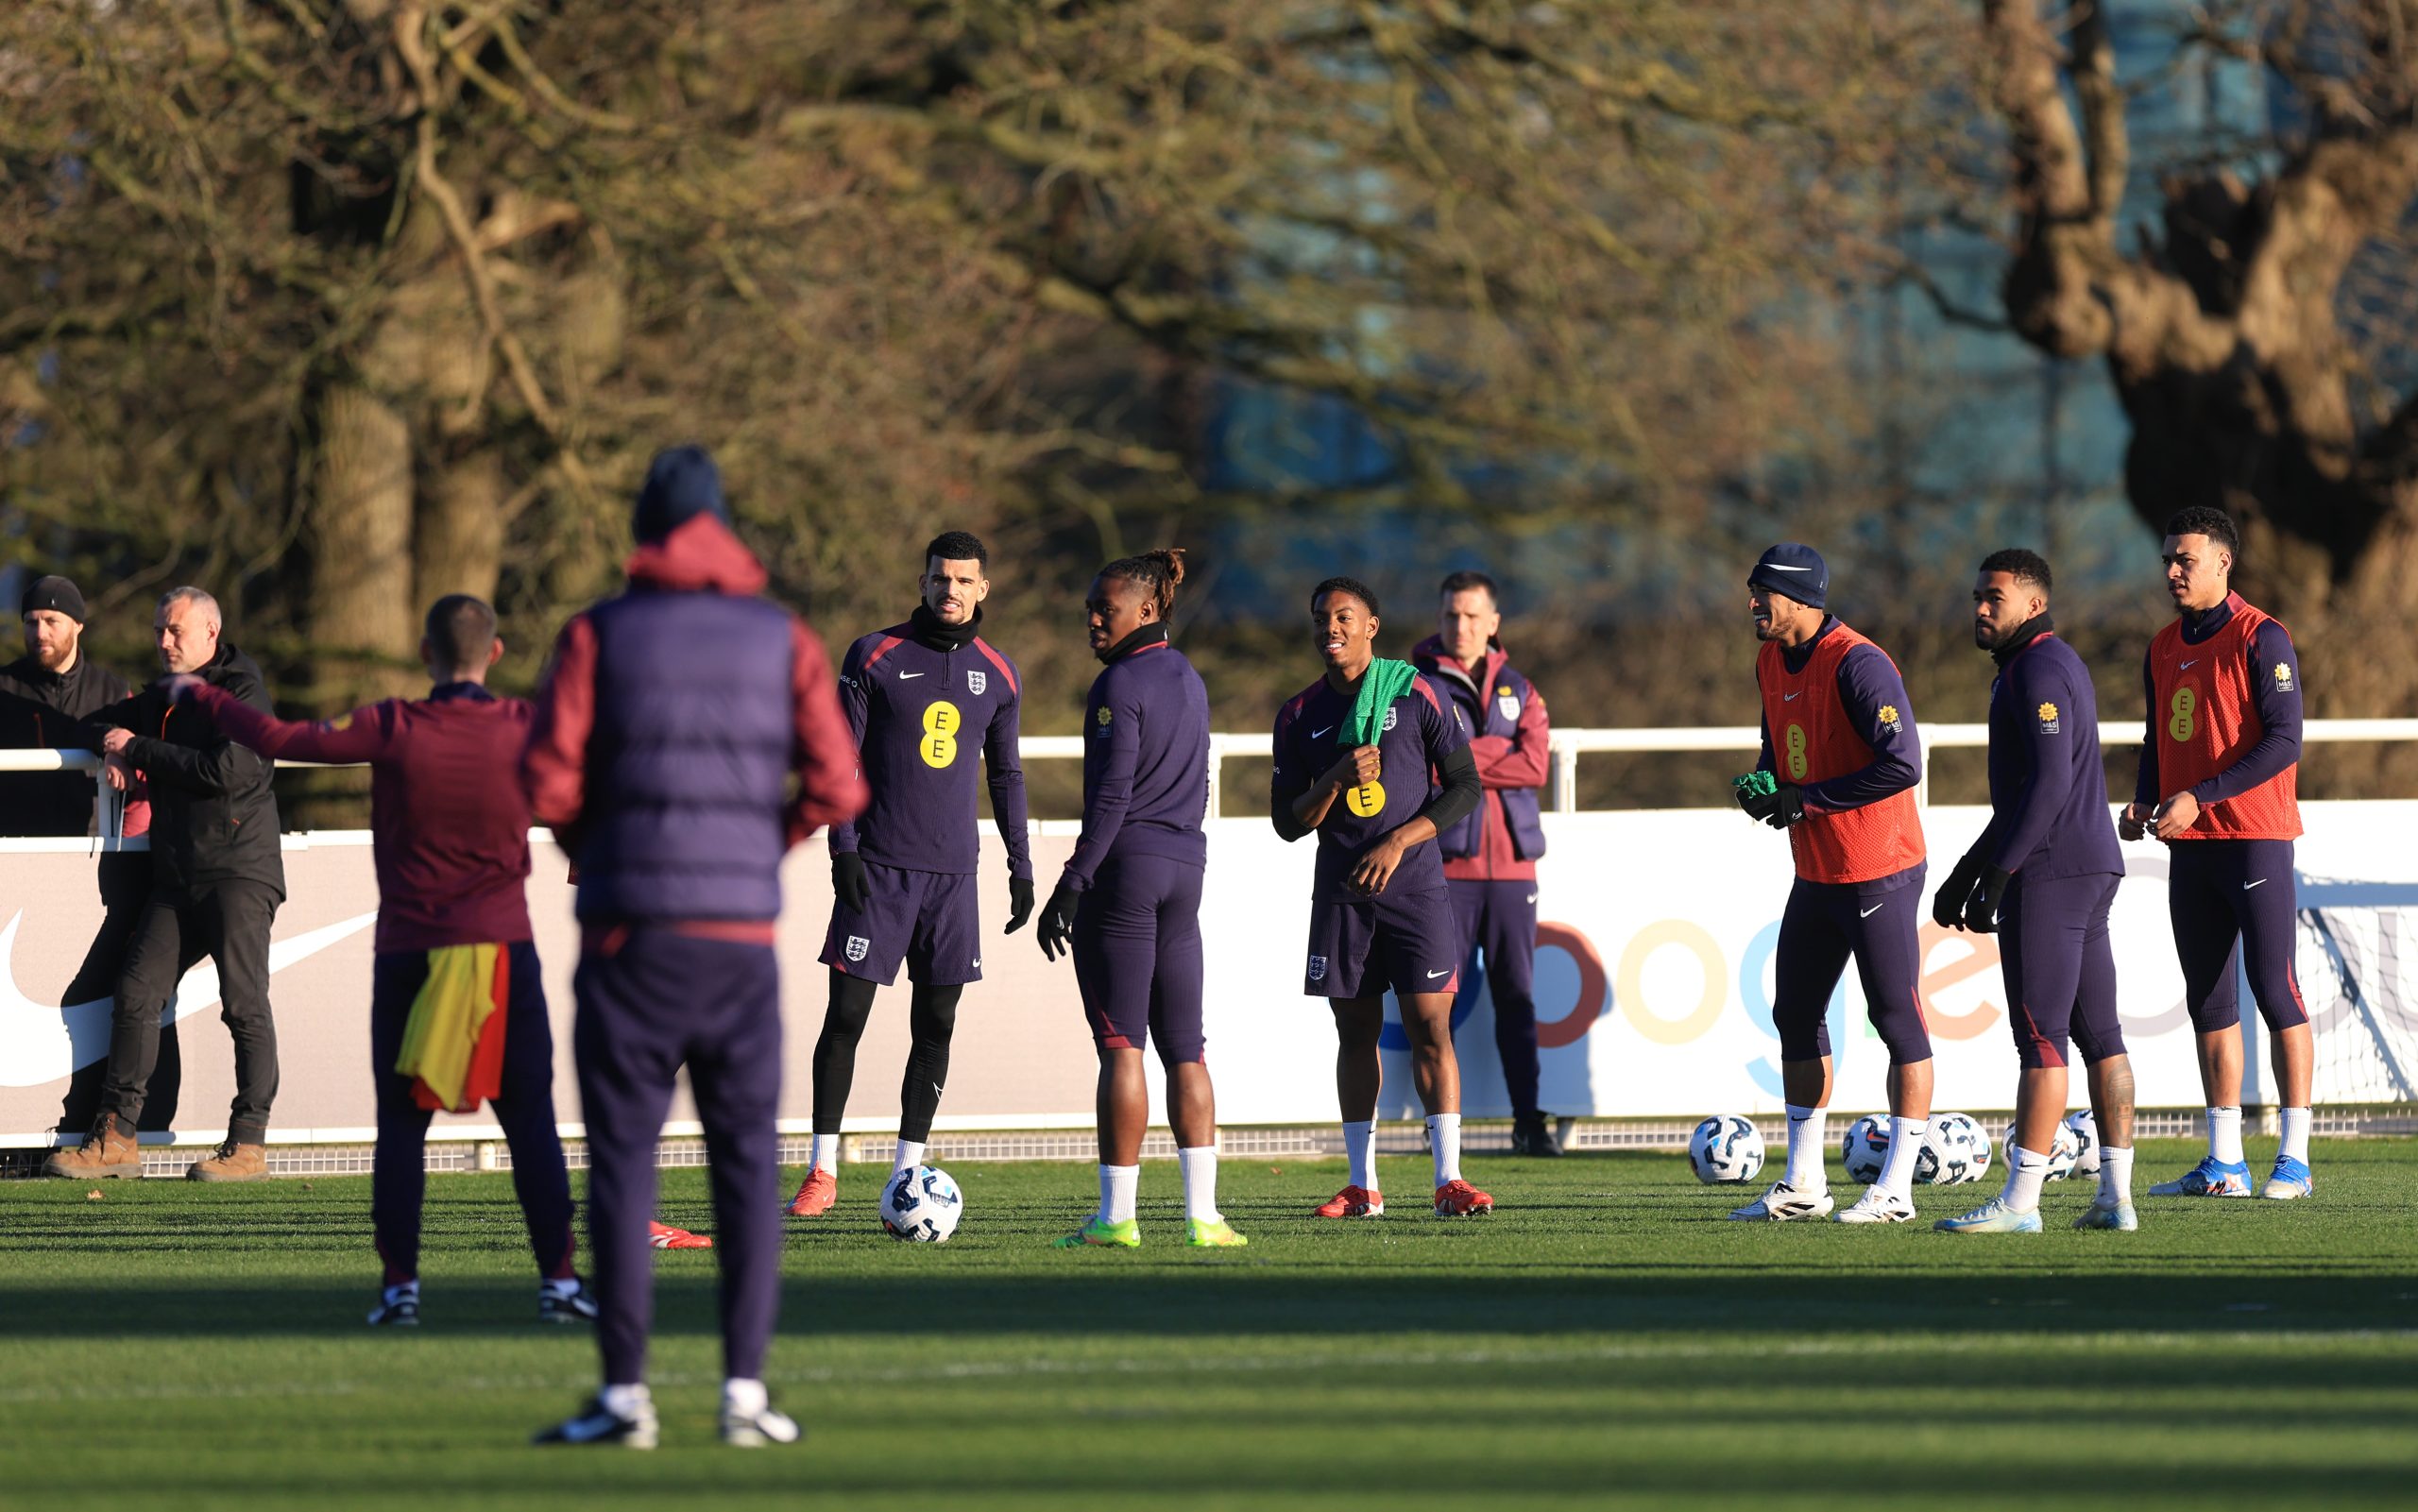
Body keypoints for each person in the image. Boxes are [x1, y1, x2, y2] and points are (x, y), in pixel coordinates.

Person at [521, 445, 865, 1448]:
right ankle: (744, 1395)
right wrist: (766, 842)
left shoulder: (597, 633)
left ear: (642, 527)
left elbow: (545, 784)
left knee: (624, 1166)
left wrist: (602, 846)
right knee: (745, 1166)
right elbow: (841, 786)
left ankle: (625, 1396)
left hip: (630, 933)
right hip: (737, 940)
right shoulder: (782, 637)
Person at [168, 594, 618, 1322]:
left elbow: (281, 734)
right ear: (494, 654)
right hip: (501, 952)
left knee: (403, 1129)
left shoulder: (394, 724)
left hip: (411, 950)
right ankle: (560, 1283)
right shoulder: (521, 726)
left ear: (423, 652)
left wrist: (206, 696)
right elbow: (583, 793)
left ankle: (400, 1288)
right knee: (529, 1121)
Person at [784, 531, 1033, 1218]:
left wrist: (1021, 866)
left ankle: (907, 1173)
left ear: (984, 588)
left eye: (963, 580)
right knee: (847, 1015)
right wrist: (845, 850)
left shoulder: (1001, 674)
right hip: (881, 867)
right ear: (922, 582)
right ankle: (822, 1168)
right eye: (939, 578)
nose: (950, 590)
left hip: (953, 877)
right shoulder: (874, 654)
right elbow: (840, 758)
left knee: (938, 1022)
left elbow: (1006, 774)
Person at [1032, 551, 1245, 1249]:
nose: (1093, 617)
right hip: (1186, 865)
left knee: (1123, 1048)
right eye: (1091, 606)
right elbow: (1202, 782)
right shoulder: (1190, 677)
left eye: (1106, 606)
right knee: (1188, 1048)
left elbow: (1112, 796)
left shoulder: (1118, 682)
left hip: (1125, 872)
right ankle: (1204, 1218)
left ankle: (1117, 1217)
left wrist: (1072, 881)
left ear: (1147, 610)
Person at [1931, 551, 2139, 1234]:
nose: (1981, 608)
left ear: (2034, 603)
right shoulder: (2036, 666)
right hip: (2084, 864)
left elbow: (2049, 784)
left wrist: (2002, 871)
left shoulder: (2040, 668)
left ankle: (2021, 1202)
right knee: (2099, 1035)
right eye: (1977, 596)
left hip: (2052, 871)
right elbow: (2025, 792)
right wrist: (1972, 866)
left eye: (1995, 596)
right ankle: (2115, 1196)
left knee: (2040, 1037)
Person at [1271, 576, 1492, 1219]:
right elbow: (1288, 822)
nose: (1329, 628)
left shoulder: (1414, 690)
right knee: (1355, 1032)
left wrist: (1399, 842)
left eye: (1344, 616)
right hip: (1343, 895)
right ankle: (1362, 1185)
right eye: (1320, 619)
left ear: (1371, 626)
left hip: (1416, 888)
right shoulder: (1299, 713)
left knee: (1430, 1026)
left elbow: (1464, 786)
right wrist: (1335, 778)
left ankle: (1449, 1179)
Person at [45, 587, 282, 1182]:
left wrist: (141, 748)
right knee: (134, 992)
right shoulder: (166, 695)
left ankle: (248, 1144)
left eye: (173, 630)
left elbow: (227, 772)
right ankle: (117, 1138)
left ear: (209, 632)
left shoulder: (242, 690)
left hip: (237, 872)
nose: (163, 641)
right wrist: (111, 747)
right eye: (158, 631)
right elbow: (97, 721)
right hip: (176, 878)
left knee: (244, 1006)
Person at [1729, 544, 1935, 1224]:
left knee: (1896, 1019)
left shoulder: (1859, 661)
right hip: (1817, 868)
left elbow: (1902, 762)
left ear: (1800, 597)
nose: (1753, 602)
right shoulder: (1767, 660)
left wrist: (1806, 800)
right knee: (1794, 1013)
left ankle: (1896, 1190)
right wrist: (1766, 787)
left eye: (1764, 592)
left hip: (1878, 864)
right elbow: (1777, 746)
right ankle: (1805, 1183)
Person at [2120, 506, 2313, 1200]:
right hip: (2192, 844)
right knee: (2208, 997)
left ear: (2223, 562)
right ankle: (2224, 1160)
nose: (2172, 570)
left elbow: (2285, 741)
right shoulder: (2162, 645)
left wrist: (2201, 794)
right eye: (2169, 557)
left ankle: (2294, 1157)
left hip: (2254, 836)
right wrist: (2146, 798)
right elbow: (2156, 738)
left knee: (2274, 987)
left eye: (2186, 559)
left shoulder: (2264, 636)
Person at [0, 576, 168, 1134]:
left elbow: (133, 741)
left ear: (78, 626)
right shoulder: (4, 689)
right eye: (30, 621)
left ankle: (89, 1119)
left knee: (89, 995)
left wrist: (112, 743)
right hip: (17, 867)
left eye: (50, 621)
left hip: (94, 868)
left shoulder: (112, 690)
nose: (38, 630)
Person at [1410, 570, 1557, 1156]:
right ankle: (1440, 1132)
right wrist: (1494, 754)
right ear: (1439, 619)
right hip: (1444, 868)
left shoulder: (1521, 687)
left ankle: (1530, 1123)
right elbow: (1421, 766)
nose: (1461, 626)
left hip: (1514, 871)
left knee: (1517, 999)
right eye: (1451, 615)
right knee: (1432, 1005)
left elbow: (1537, 765)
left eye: (1473, 616)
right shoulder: (1415, 686)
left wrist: (1461, 758)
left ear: (1493, 623)